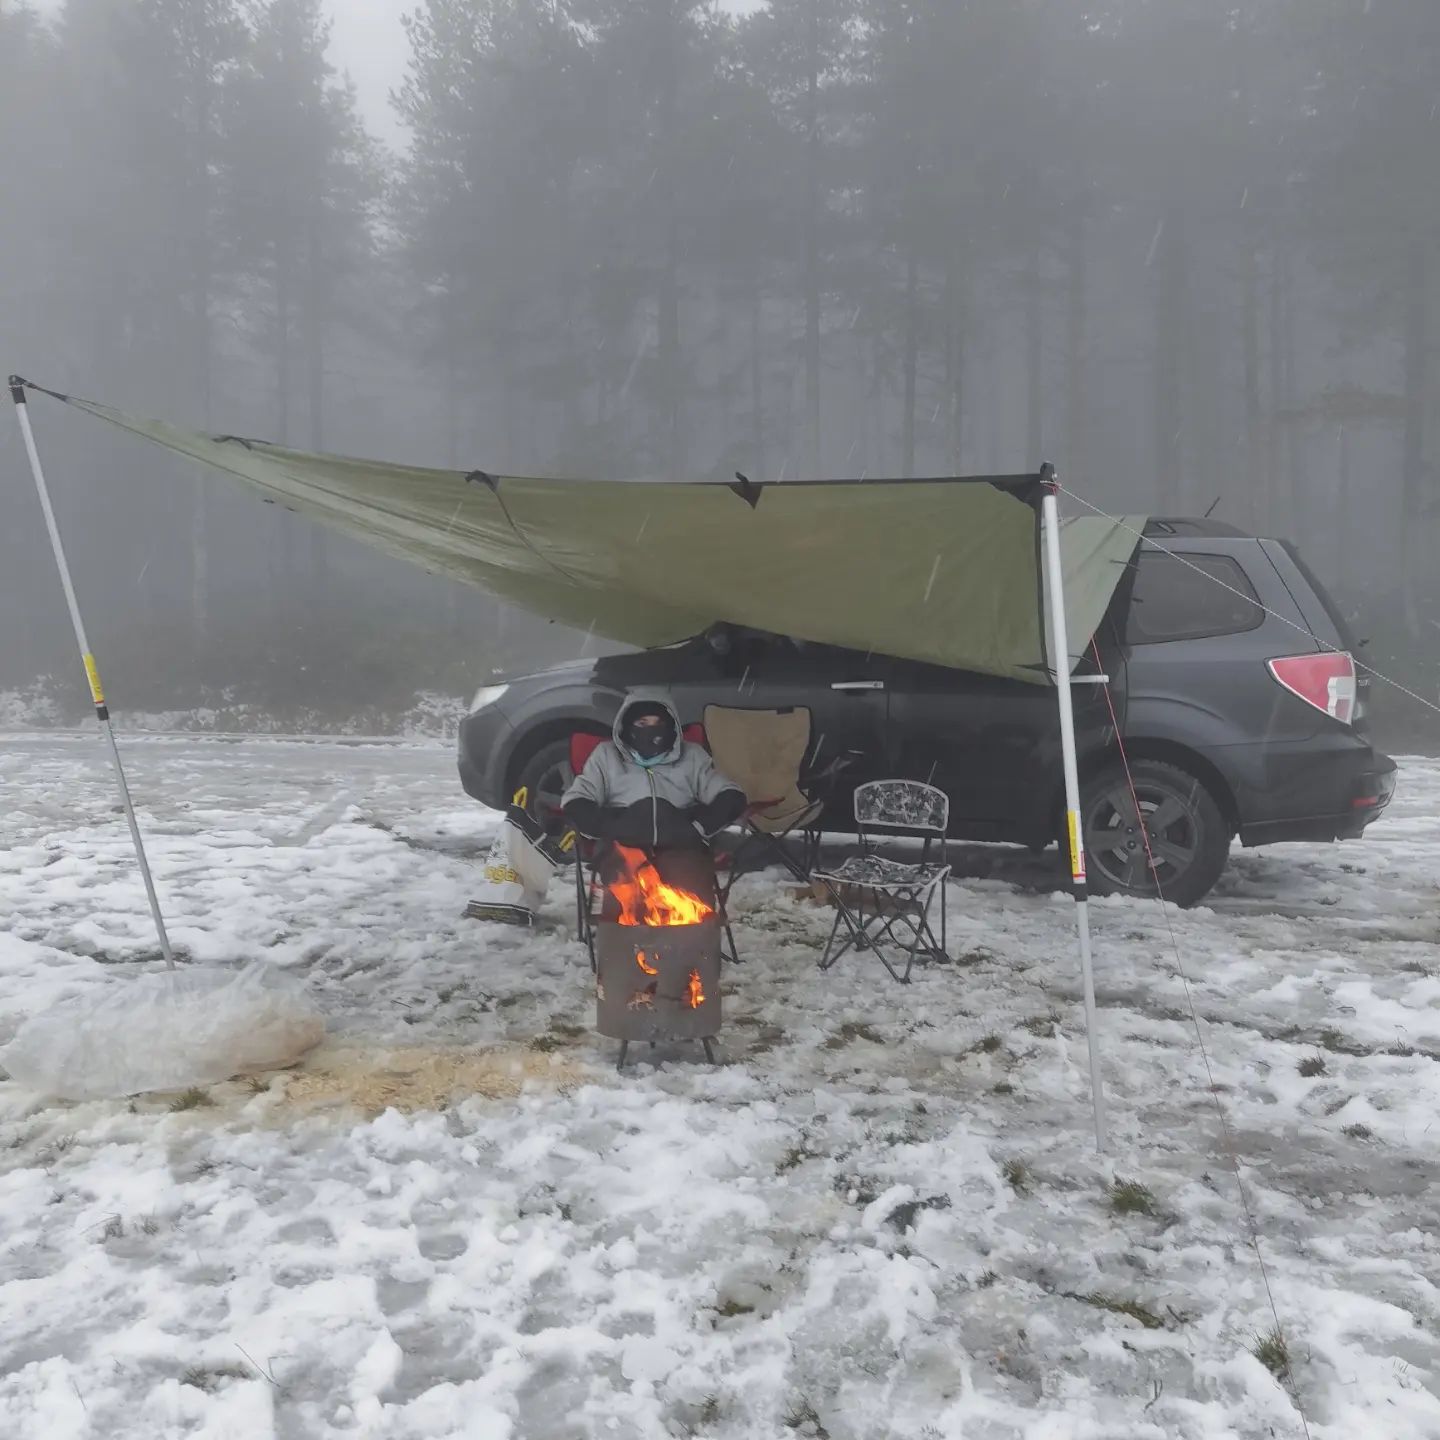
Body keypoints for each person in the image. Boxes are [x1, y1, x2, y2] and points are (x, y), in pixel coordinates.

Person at [561, 693, 746, 876]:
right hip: (622, 846)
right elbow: (577, 799)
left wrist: (697, 827)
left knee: (689, 885)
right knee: (623, 888)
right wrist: (611, 828)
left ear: (671, 725)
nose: (651, 730)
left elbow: (729, 794)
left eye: (659, 724)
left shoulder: (692, 756)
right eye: (642, 723)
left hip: (681, 844)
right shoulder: (606, 755)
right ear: (627, 726)